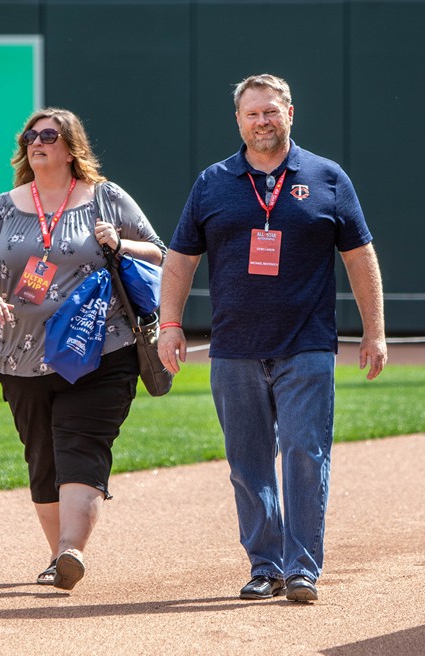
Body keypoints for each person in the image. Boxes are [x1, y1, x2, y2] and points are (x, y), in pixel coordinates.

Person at [157, 74, 387, 603]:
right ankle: (266, 565)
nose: (262, 121)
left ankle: (302, 567)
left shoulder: (328, 178)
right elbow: (180, 261)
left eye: (271, 111)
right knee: (248, 462)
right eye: (252, 113)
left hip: (307, 343)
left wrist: (373, 331)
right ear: (238, 121)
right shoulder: (212, 182)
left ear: (290, 113)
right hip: (234, 346)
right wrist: (170, 324)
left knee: (306, 452)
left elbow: (359, 257)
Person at [0, 108, 165, 591]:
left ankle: (72, 549)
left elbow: (159, 251)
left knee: (80, 445)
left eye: (49, 135)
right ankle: (59, 557)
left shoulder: (106, 198)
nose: (37, 142)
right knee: (42, 456)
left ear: (71, 146)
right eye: (30, 135)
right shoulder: (6, 205)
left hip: (99, 350)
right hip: (18, 356)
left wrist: (121, 244)